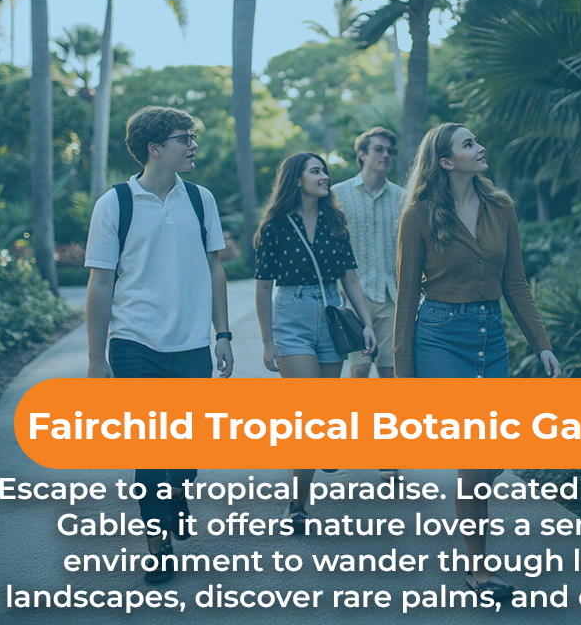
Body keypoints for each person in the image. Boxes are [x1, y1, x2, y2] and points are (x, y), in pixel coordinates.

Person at [394, 122, 560, 601]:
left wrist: (541, 343)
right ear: (446, 162)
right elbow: (406, 298)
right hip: (440, 335)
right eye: (469, 144)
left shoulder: (500, 207)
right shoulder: (420, 215)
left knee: (494, 454)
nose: (480, 147)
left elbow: (516, 283)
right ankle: (477, 568)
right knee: (476, 448)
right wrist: (405, 376)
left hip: (491, 338)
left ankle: (468, 499)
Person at [85, 105, 233, 583]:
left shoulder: (200, 199)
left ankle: (178, 487)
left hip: (190, 342)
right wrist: (96, 358)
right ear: (155, 148)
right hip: (135, 342)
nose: (192, 145)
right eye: (183, 138)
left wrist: (223, 334)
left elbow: (216, 268)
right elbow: (100, 283)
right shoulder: (115, 205)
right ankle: (159, 544)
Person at [254, 152, 377, 530]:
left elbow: (350, 279)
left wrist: (367, 323)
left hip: (332, 313)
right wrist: (267, 341)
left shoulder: (334, 220)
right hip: (291, 314)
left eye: (324, 170)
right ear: (297, 180)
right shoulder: (275, 226)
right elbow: (262, 287)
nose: (325, 176)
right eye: (316, 171)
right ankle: (298, 505)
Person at [333, 127, 404, 481]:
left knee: (390, 377)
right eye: (378, 149)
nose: (385, 155)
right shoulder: (337, 194)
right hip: (352, 301)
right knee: (358, 373)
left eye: (389, 150)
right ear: (361, 154)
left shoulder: (403, 198)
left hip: (393, 297)